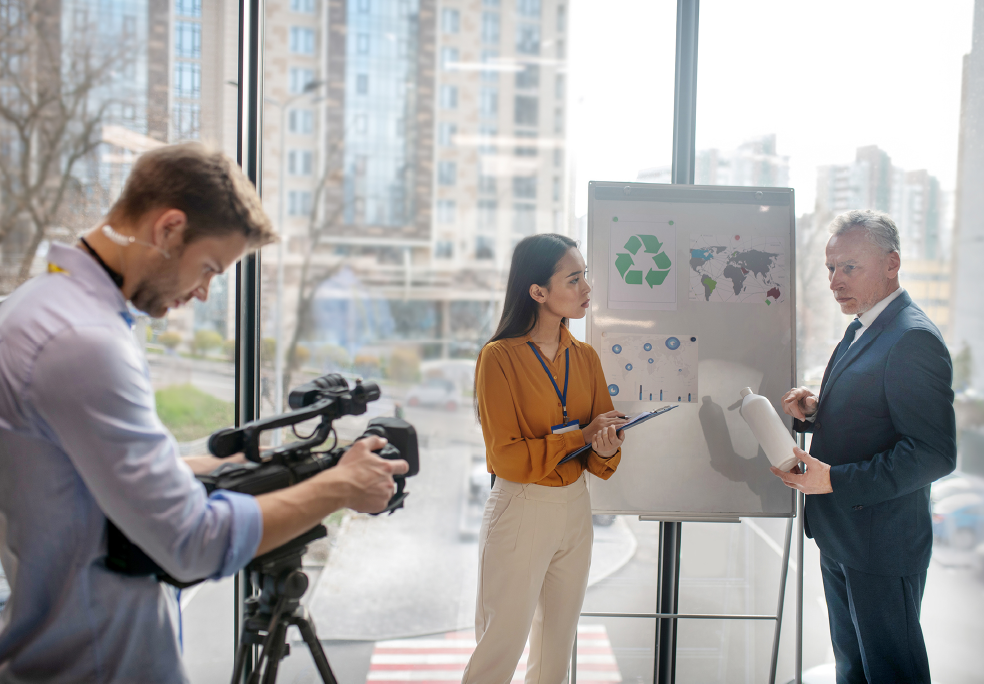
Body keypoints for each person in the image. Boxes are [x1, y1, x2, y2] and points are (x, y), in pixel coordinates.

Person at [0, 143, 408, 683]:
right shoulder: (84, 342)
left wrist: (209, 468)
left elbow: (79, 474)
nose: (203, 292)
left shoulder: (35, 306)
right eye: (210, 268)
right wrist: (340, 486)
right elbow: (191, 544)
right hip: (98, 666)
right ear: (169, 229)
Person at [774, 209, 956, 684]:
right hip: (844, 536)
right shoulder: (863, 328)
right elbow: (877, 418)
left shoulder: (912, 339)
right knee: (853, 670)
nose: (835, 281)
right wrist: (816, 411)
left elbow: (933, 453)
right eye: (831, 268)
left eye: (849, 267)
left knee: (891, 672)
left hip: (881, 545)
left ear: (891, 264)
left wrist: (832, 479)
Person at [462, 233, 626, 684]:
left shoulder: (586, 356)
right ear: (537, 292)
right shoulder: (498, 358)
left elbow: (597, 448)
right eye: (574, 279)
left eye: (585, 276)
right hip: (521, 506)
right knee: (501, 647)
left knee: (556, 652)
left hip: (575, 505)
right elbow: (507, 457)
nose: (586, 288)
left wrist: (605, 446)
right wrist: (582, 435)